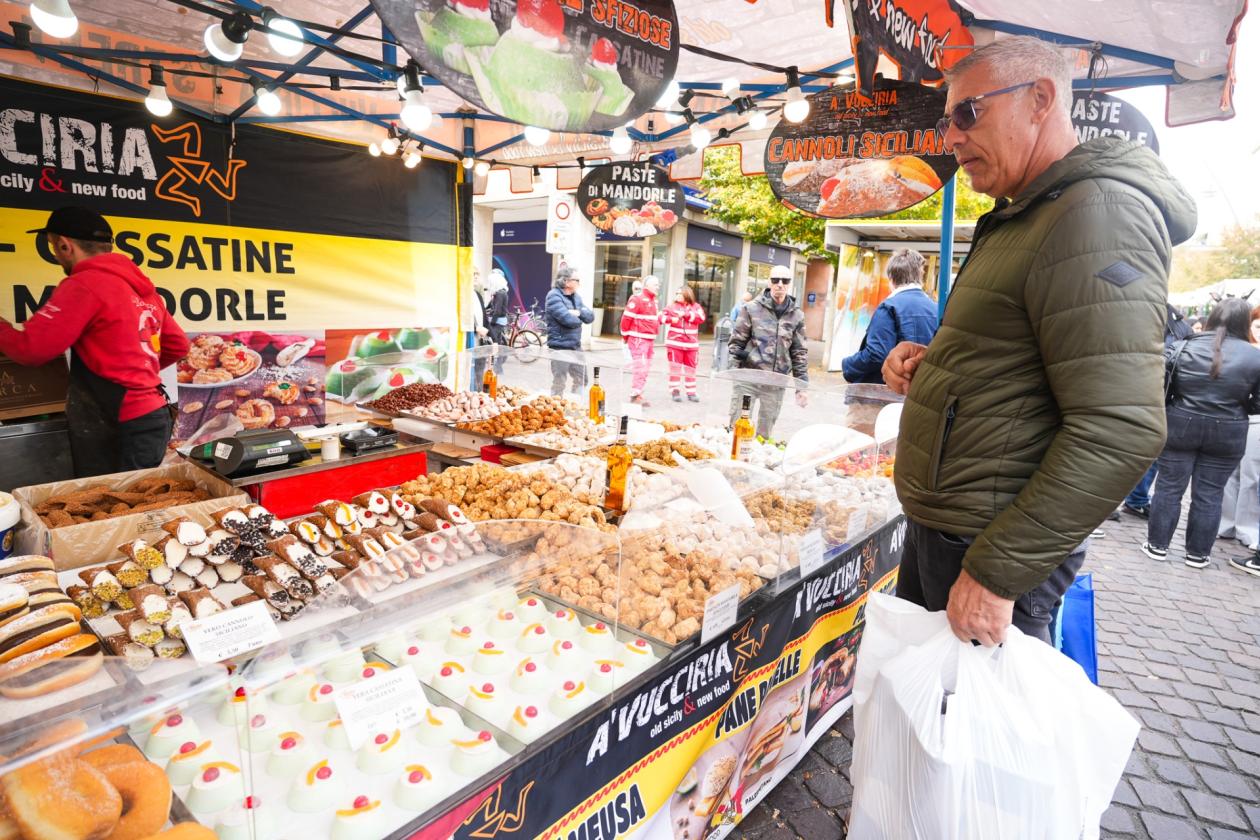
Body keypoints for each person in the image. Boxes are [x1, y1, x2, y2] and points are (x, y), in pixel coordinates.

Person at [882, 36, 1196, 645]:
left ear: (1040, 99)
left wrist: (997, 572)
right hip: (956, 528)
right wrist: (934, 363)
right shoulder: (1029, 212)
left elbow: (1121, 427)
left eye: (968, 112)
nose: (952, 137)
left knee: (972, 711)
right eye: (948, 121)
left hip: (986, 544)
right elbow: (1018, 361)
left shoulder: (1096, 214)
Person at [0, 207, 189, 477]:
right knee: (140, 499)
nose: (56, 255)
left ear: (64, 245)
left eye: (53, 247)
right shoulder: (142, 289)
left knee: (108, 500)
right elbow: (178, 345)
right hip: (153, 417)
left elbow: (31, 349)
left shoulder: (84, 284)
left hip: (115, 423)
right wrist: (138, 371)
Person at [1144, 299, 1260, 573]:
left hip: (1180, 423)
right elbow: (1257, 404)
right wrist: (1237, 408)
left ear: (1213, 318)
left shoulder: (1183, 346)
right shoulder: (1255, 356)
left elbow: (1161, 386)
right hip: (1228, 429)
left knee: (1169, 487)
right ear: (1244, 322)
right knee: (1210, 493)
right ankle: (1197, 554)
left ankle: (1157, 546)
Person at [1120, 303, 1197, 517]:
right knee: (1136, 451)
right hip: (1147, 398)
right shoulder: (1176, 327)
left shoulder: (1175, 326)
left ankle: (1134, 499)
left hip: (1153, 399)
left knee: (1149, 452)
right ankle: (1126, 499)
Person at [727, 264, 809, 438]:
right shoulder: (751, 308)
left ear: (789, 283)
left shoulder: (797, 315)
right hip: (748, 378)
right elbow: (735, 344)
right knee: (737, 431)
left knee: (764, 435)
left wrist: (801, 388)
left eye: (785, 280)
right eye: (775, 280)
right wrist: (735, 373)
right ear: (769, 282)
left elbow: (799, 353)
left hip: (776, 382)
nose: (780, 284)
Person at [841, 249, 938, 384]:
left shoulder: (889, 307)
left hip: (890, 389)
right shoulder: (937, 309)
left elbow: (876, 354)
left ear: (891, 278)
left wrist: (847, 365)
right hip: (923, 387)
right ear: (920, 276)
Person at [1217, 302, 1260, 552]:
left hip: (1255, 420)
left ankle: (1247, 528)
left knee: (1251, 475)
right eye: (1257, 326)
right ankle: (1225, 523)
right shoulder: (1242, 350)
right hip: (1233, 416)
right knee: (1229, 472)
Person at [544, 266, 593, 396]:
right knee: (559, 382)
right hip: (559, 347)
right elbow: (568, 320)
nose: (579, 283)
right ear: (566, 281)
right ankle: (555, 404)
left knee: (582, 379)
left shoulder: (576, 297)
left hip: (575, 346)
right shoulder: (553, 296)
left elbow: (590, 317)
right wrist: (578, 317)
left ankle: (574, 403)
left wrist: (578, 313)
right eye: (576, 280)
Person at [621, 274, 661, 406]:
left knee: (645, 367)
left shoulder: (654, 301)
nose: (658, 287)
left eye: (658, 284)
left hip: (649, 339)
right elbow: (626, 319)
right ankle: (635, 395)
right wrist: (625, 336)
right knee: (640, 367)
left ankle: (638, 393)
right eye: (655, 284)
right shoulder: (637, 299)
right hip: (639, 339)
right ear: (647, 285)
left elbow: (653, 319)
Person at [663, 284, 705, 402]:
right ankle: (675, 391)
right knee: (675, 369)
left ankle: (691, 392)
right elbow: (661, 317)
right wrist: (671, 319)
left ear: (687, 294)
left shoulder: (696, 307)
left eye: (679, 293)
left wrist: (686, 315)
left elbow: (701, 318)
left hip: (691, 346)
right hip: (675, 344)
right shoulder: (671, 306)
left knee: (691, 369)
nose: (677, 295)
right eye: (676, 293)